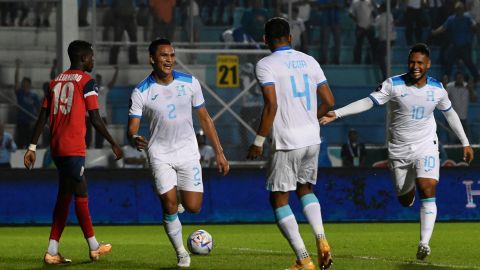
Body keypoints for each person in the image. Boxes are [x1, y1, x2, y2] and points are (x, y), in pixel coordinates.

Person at [320, 43, 474, 260]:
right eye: (412, 62)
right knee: (405, 198)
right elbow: (369, 102)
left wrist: (465, 142)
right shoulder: (393, 84)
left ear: (428, 64)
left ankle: (424, 243)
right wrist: (338, 113)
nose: (415, 66)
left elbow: (450, 115)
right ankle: (408, 188)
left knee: (427, 186)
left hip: (426, 145)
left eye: (420, 62)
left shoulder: (438, 88)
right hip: (399, 149)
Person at [127, 38, 229, 268]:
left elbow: (205, 118)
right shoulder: (141, 91)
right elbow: (132, 127)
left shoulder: (190, 82)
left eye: (172, 55)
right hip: (159, 153)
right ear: (152, 59)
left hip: (187, 152)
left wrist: (219, 153)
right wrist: (133, 137)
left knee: (193, 207)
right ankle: (182, 252)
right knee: (169, 205)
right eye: (164, 56)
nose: (169, 60)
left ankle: (178, 197)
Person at [23, 40, 124, 265]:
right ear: (83, 58)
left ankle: (52, 250)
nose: (93, 60)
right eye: (91, 56)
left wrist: (31, 146)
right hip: (73, 146)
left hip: (57, 147)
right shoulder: (87, 83)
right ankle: (94, 246)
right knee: (81, 193)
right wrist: (113, 143)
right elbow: (95, 118)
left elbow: (42, 118)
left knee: (65, 195)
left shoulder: (54, 82)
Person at [247, 17, 334, 270]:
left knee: (279, 199)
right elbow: (329, 100)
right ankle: (321, 238)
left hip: (287, 141)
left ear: (265, 39)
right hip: (312, 138)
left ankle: (304, 259)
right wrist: (311, 118)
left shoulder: (265, 65)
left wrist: (258, 141)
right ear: (291, 37)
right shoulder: (309, 60)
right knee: (305, 189)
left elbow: (271, 105)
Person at [431, 2, 479, 82]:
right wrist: (435, 32)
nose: (459, 11)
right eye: (458, 9)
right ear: (455, 10)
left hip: (465, 46)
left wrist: (475, 26)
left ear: (463, 10)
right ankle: (445, 79)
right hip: (454, 46)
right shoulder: (451, 19)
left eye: (461, 9)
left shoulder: (467, 18)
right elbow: (443, 27)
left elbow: (474, 25)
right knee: (448, 63)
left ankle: (476, 77)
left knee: (469, 63)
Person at [86, 66, 119, 148]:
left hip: (102, 117)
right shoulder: (89, 90)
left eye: (99, 80)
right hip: (91, 116)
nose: (98, 81)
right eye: (96, 80)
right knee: (88, 135)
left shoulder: (103, 90)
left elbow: (112, 83)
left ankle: (99, 147)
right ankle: (87, 148)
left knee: (101, 136)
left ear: (100, 81)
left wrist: (116, 72)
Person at [14, 59, 40, 149]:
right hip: (21, 121)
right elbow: (16, 83)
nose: (24, 84)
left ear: (29, 84)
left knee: (30, 143)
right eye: (23, 83)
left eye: (25, 83)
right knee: (20, 143)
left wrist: (37, 120)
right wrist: (17, 67)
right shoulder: (20, 93)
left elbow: (39, 108)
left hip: (30, 122)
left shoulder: (34, 96)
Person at [445, 71, 477, 143]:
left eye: (461, 78)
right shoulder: (450, 86)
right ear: (455, 78)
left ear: (463, 78)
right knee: (451, 139)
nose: (459, 79)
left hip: (463, 117)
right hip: (452, 117)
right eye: (458, 78)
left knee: (465, 140)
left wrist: (471, 89)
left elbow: (474, 100)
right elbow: (443, 97)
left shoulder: (468, 86)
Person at [108, 0, 139, 65]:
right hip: (119, 17)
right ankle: (113, 61)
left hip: (130, 17)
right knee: (117, 40)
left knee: (134, 39)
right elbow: (111, 4)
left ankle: (133, 60)